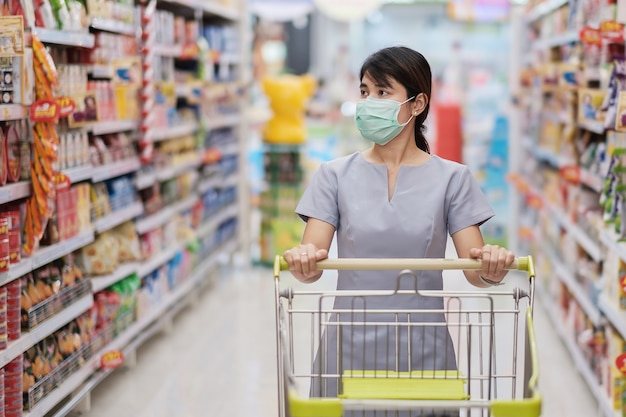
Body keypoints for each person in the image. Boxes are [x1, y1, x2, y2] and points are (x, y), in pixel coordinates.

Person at [283, 46, 515, 416]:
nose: (368, 102)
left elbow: (475, 271)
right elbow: (311, 260)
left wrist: (493, 262)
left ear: (417, 103)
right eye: (363, 91)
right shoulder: (333, 176)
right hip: (347, 346)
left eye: (381, 92)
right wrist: (301, 260)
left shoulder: (453, 179)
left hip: (424, 345)